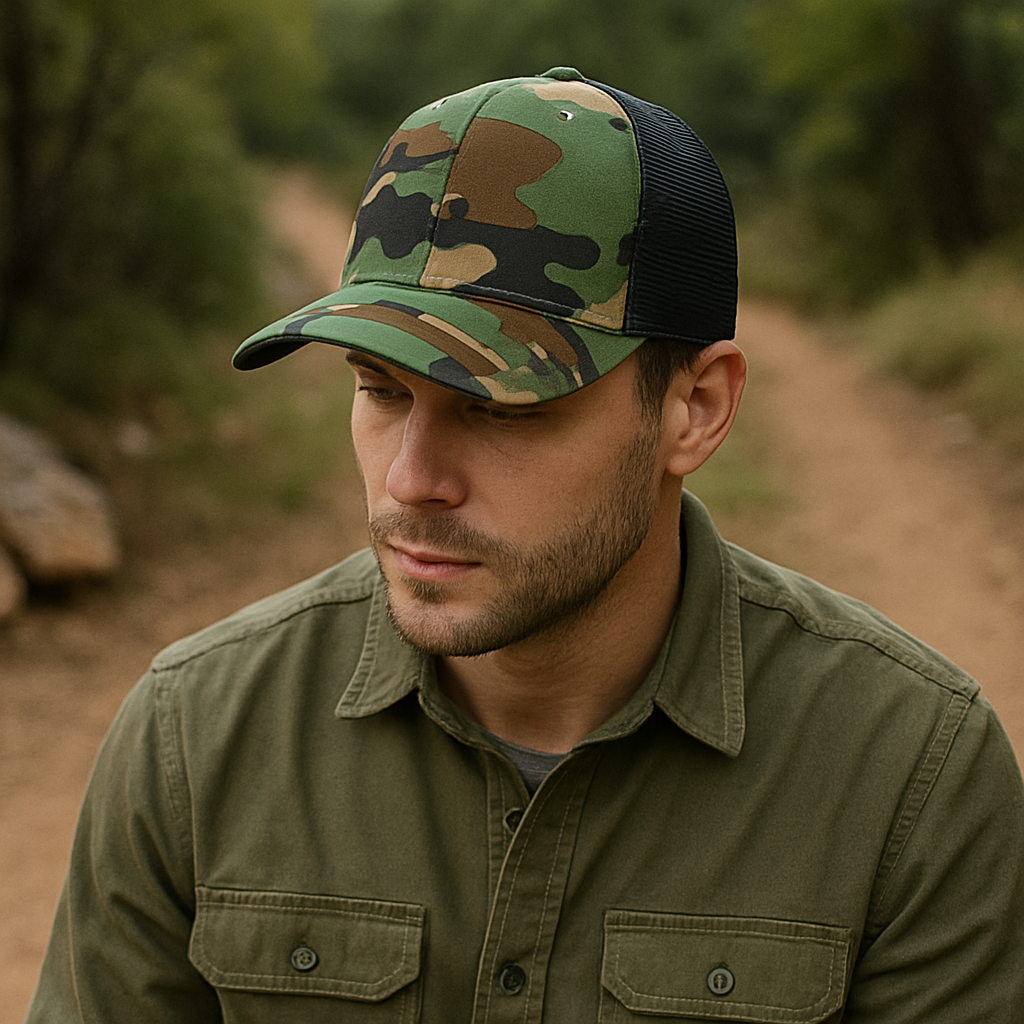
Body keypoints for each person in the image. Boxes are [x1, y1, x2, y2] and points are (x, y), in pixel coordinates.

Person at [26, 67, 1024, 1023]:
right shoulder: (194, 741)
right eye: (379, 391)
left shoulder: (910, 776)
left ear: (696, 407)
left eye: (500, 408)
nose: (412, 478)